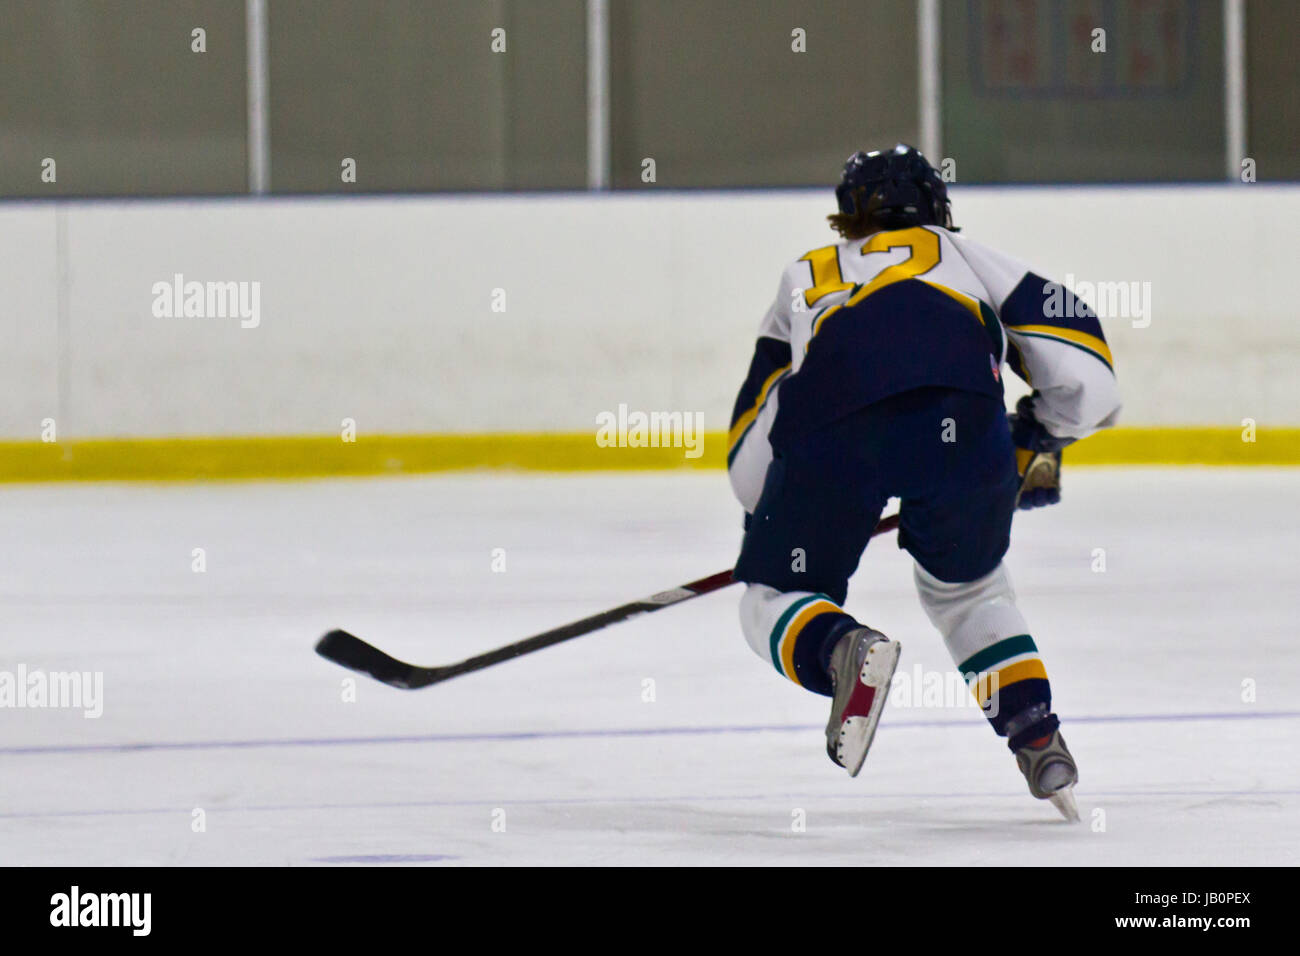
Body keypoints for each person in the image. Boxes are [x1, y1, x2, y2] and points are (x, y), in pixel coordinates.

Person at [726, 145, 1121, 819]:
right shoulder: (970, 259)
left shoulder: (805, 274)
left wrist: (768, 515)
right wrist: (1038, 435)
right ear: (938, 209)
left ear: (847, 217)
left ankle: (840, 647)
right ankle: (1036, 734)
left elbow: (752, 439)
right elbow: (1085, 367)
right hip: (964, 425)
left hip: (831, 429)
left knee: (776, 592)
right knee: (968, 588)